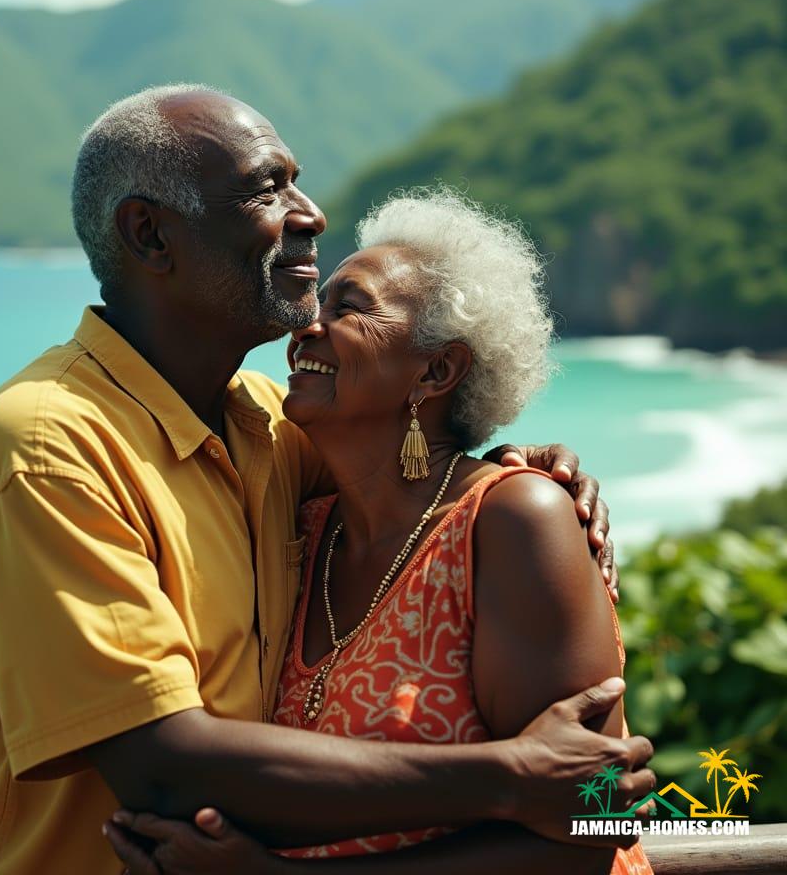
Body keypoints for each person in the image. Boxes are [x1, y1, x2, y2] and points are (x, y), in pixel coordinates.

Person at [0, 86, 650, 875]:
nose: (311, 213)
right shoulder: (50, 445)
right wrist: (513, 778)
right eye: (265, 187)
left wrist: (531, 479)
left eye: (297, 180)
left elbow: (424, 478)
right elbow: (161, 763)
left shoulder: (264, 427)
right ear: (149, 233)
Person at [104, 190, 653, 874]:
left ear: (437, 370)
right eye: (316, 304)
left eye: (349, 308)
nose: (307, 327)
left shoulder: (514, 523)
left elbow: (594, 822)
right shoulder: (300, 526)